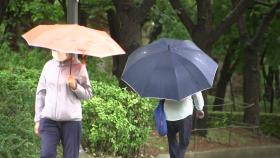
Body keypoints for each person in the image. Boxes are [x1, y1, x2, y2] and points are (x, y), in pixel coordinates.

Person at [34, 50, 93, 158]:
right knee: (47, 154)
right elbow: (41, 93)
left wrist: (75, 86)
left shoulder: (79, 67)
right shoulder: (48, 66)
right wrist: (38, 119)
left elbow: (88, 95)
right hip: (49, 119)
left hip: (71, 122)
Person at [163, 91, 204, 158]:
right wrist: (199, 108)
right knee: (184, 142)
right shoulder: (190, 80)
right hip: (184, 114)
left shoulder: (164, 80)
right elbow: (197, 94)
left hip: (168, 114)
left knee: (172, 141)